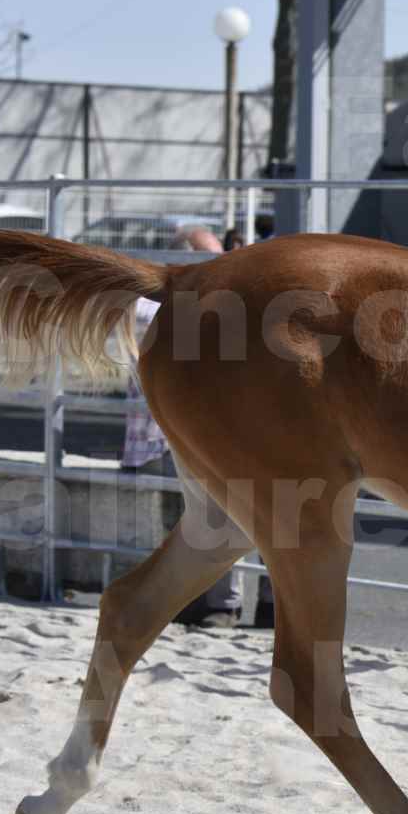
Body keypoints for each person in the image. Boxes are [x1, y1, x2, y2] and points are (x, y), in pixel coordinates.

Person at [120, 226, 249, 628]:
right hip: (156, 434)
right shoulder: (150, 306)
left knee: (225, 517)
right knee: (176, 525)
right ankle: (184, 603)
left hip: (210, 433)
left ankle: (224, 605)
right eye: (208, 259)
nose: (218, 266)